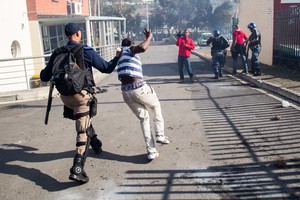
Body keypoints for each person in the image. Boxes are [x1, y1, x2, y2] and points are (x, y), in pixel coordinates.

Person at [40, 23, 121, 183]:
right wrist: (117, 56)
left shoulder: (57, 52)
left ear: (66, 35)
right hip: (81, 96)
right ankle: (77, 169)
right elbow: (106, 68)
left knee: (83, 118)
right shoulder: (86, 51)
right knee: (82, 130)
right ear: (78, 33)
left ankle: (96, 144)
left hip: (65, 97)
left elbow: (44, 76)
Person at [117, 28, 170, 160]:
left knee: (144, 119)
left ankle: (151, 150)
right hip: (138, 88)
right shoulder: (129, 50)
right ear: (130, 45)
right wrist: (149, 37)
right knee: (155, 105)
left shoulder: (120, 57)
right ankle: (160, 135)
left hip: (126, 92)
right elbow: (142, 47)